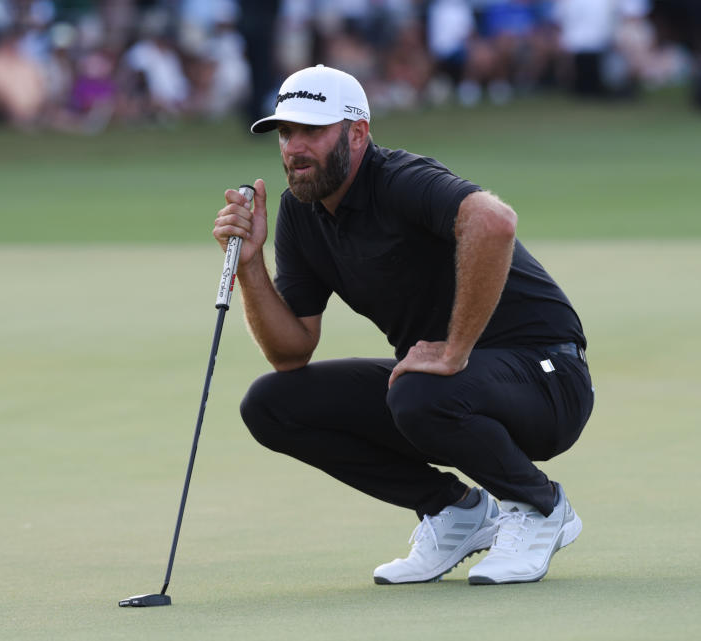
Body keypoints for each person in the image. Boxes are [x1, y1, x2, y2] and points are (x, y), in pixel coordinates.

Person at [213, 65, 594, 585]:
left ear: (357, 133)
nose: (294, 148)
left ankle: (540, 506)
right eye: (286, 132)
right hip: (448, 387)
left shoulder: (399, 180)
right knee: (272, 405)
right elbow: (291, 352)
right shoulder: (300, 213)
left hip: (550, 378)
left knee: (417, 392)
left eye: (312, 132)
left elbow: (494, 221)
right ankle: (454, 510)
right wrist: (251, 265)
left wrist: (455, 350)